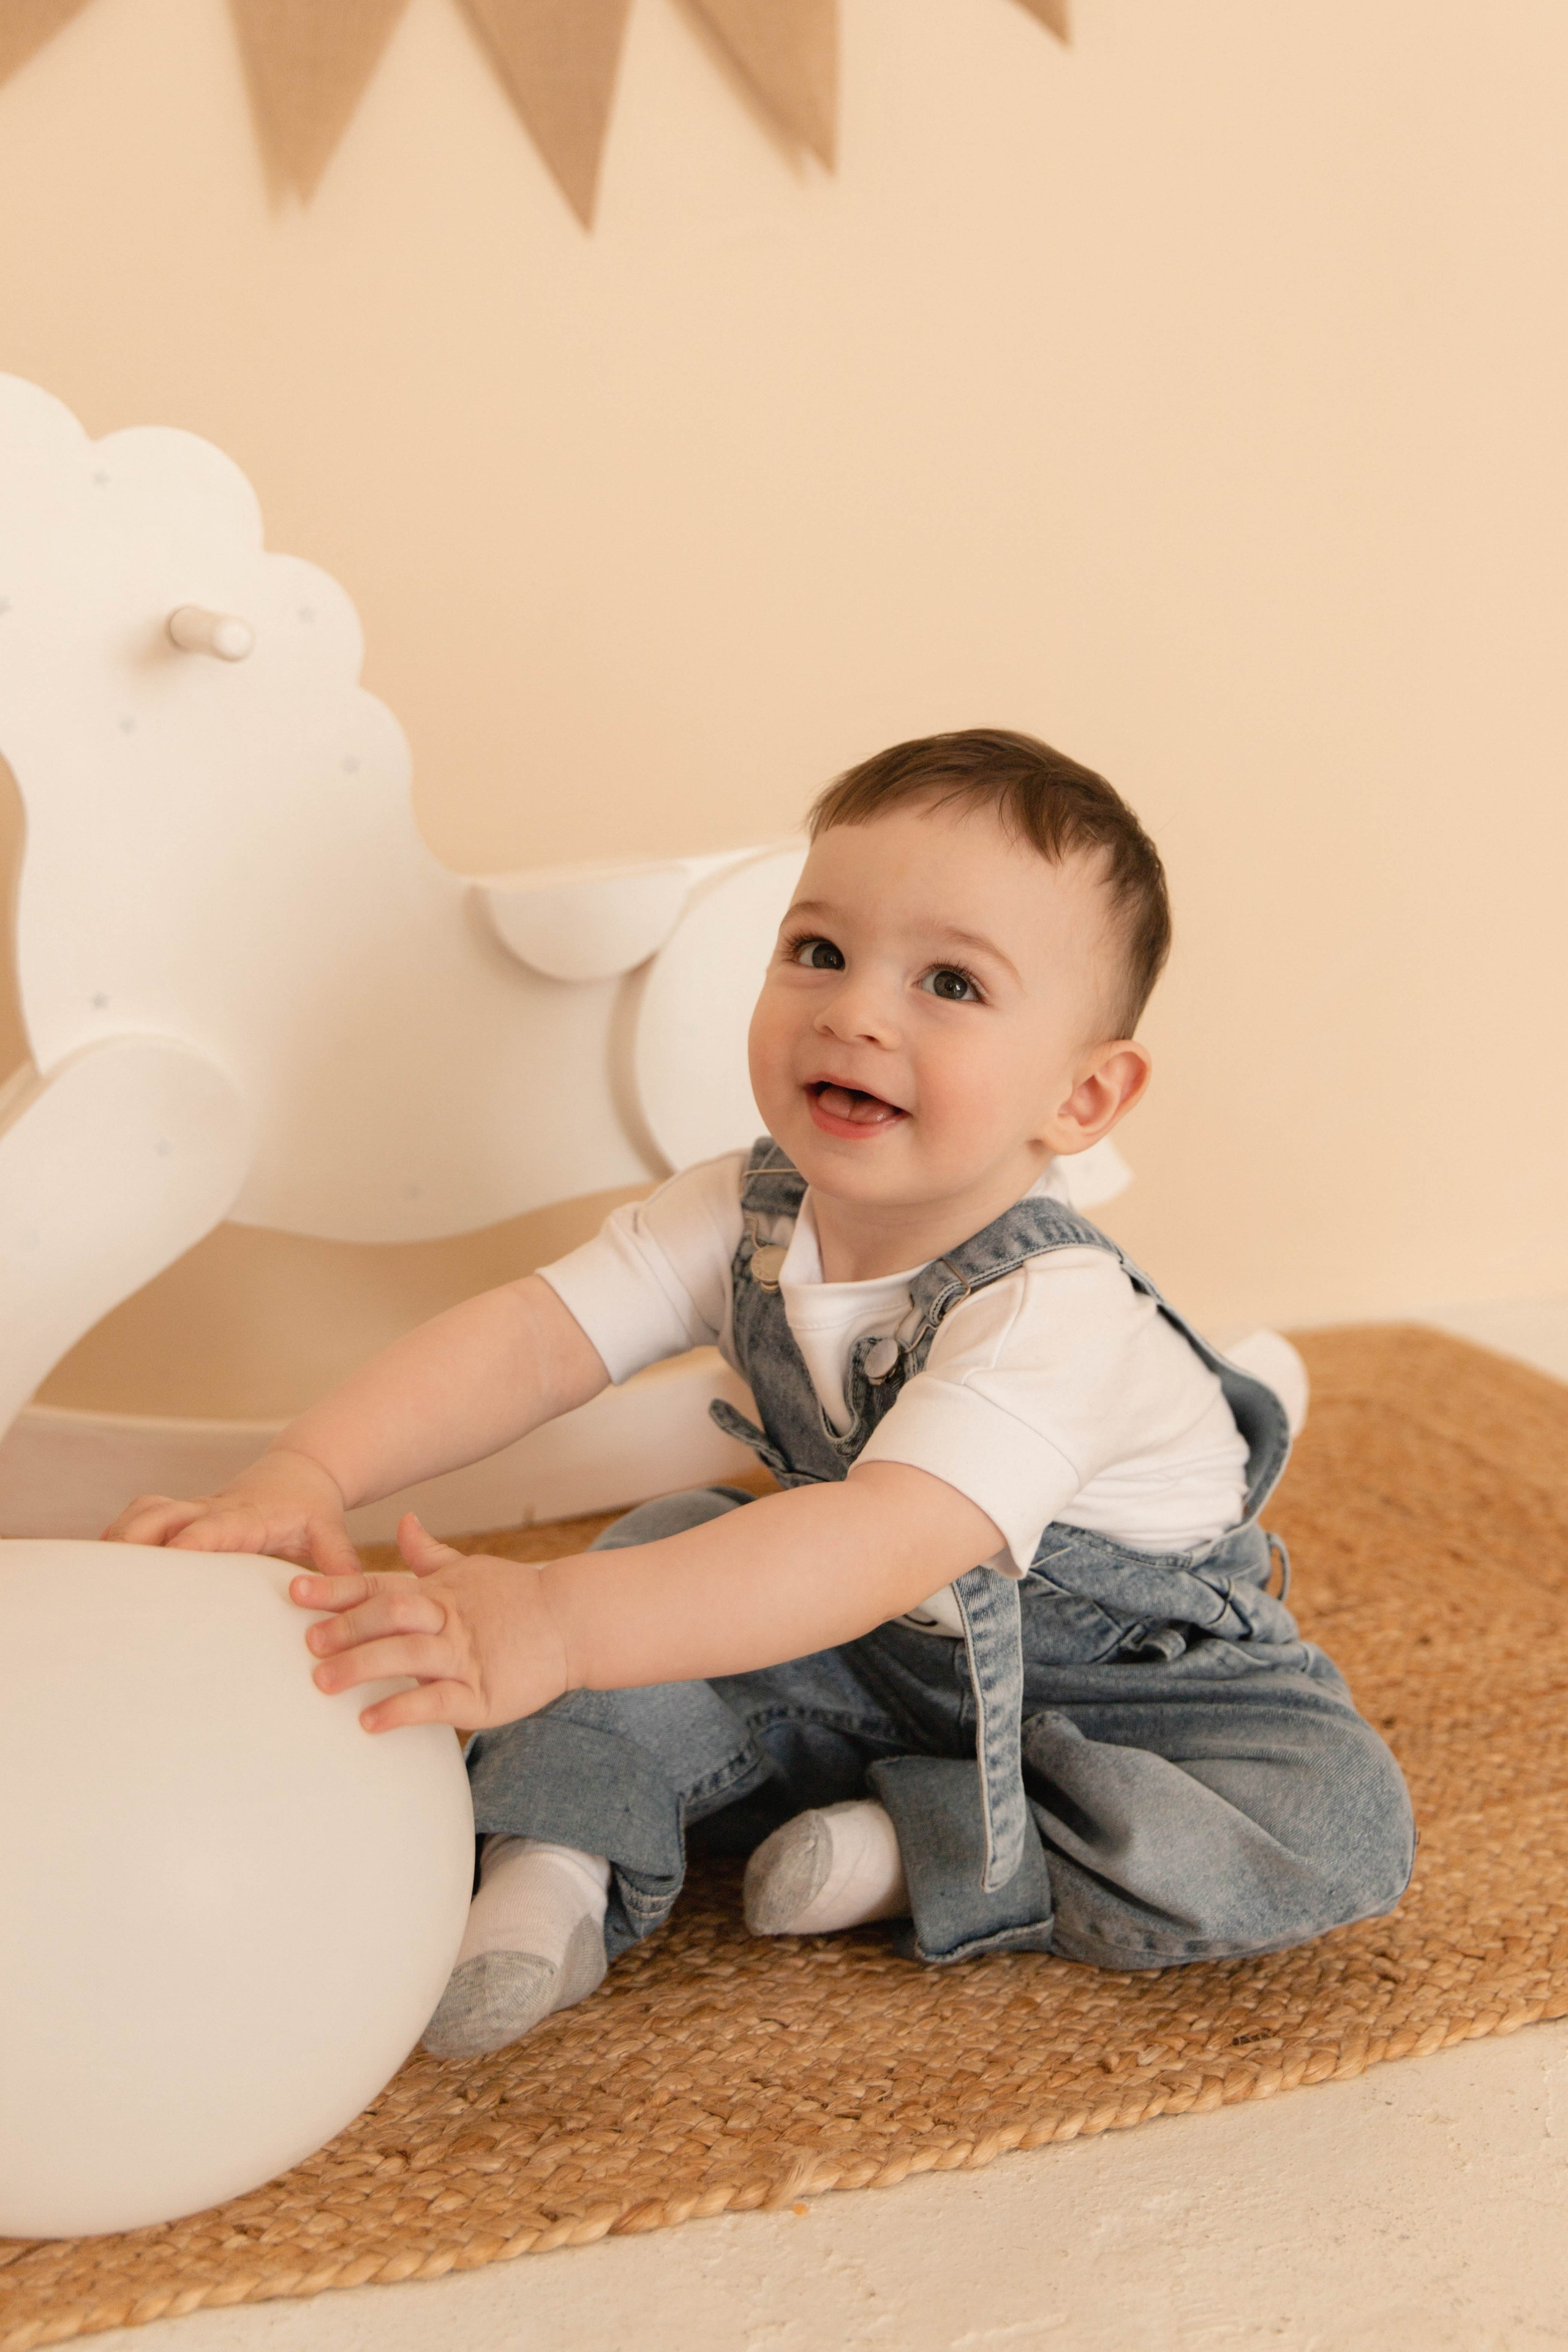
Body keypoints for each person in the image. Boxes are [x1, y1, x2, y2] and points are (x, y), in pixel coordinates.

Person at [107, 729, 1414, 2060]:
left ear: (1082, 1095)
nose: (852, 1011)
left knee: (1334, 1821)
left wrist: (555, 1620)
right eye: (818, 951)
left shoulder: (1050, 1314)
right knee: (659, 1554)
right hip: (856, 1633)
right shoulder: (740, 1209)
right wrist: (307, 1473)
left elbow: (878, 1537)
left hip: (1129, 1690)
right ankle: (548, 1880)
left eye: (949, 981)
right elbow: (530, 1340)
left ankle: (925, 1850)